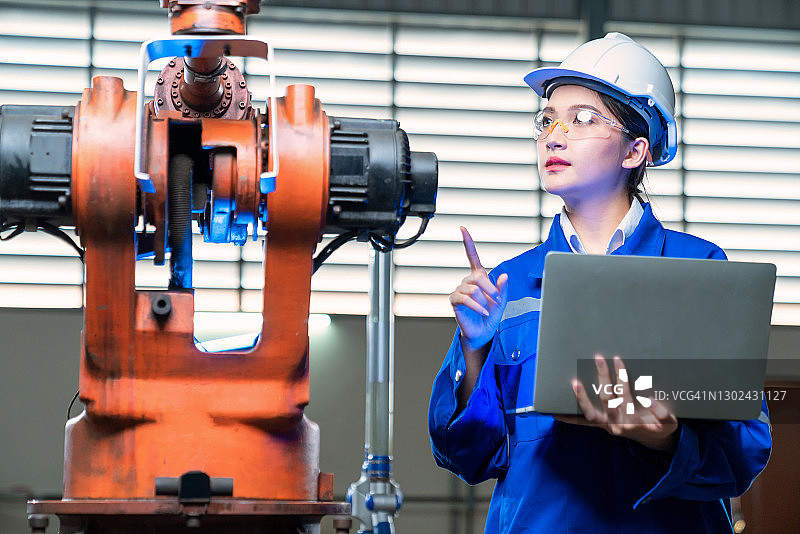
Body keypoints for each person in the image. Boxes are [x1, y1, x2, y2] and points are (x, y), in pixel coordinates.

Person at [428, 32, 772, 533]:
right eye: (547, 119)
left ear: (637, 150)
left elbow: (746, 449)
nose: (555, 134)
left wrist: (666, 439)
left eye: (583, 119)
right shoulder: (509, 286)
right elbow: (468, 458)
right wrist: (475, 350)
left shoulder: (700, 269)